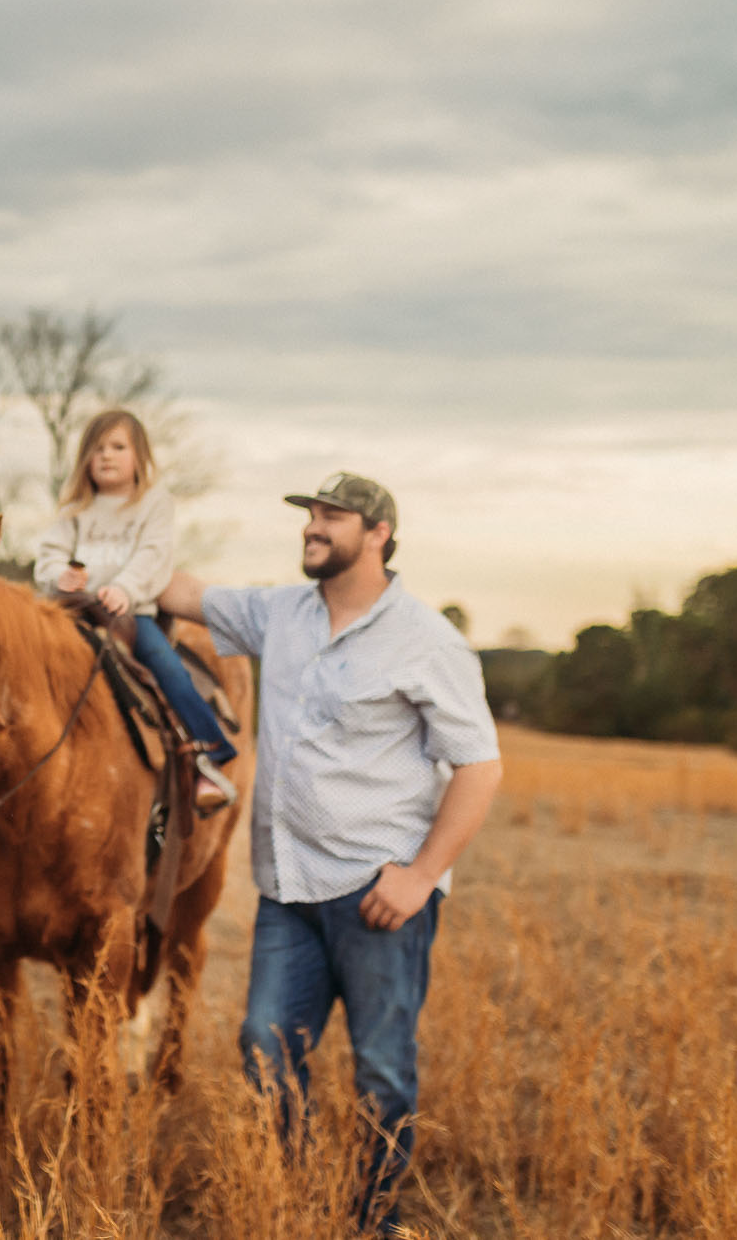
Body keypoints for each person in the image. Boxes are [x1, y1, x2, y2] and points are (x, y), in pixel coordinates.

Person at [159, 472, 503, 1237]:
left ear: (377, 532)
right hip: (288, 889)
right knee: (263, 1045)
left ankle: (371, 1220)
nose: (312, 526)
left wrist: (419, 877)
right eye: (309, 514)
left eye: (329, 516)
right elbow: (185, 593)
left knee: (381, 1069)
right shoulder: (280, 612)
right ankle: (298, 1198)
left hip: (379, 893)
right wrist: (104, 556)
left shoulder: (425, 639)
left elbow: (480, 766)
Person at [32, 409, 238, 812]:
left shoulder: (153, 504)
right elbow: (49, 556)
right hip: (74, 615)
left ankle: (203, 756)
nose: (106, 456)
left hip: (129, 617)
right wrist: (59, 576)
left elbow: (154, 555)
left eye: (118, 447)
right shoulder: (75, 510)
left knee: (167, 667)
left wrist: (126, 588)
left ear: (139, 456)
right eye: (97, 449)